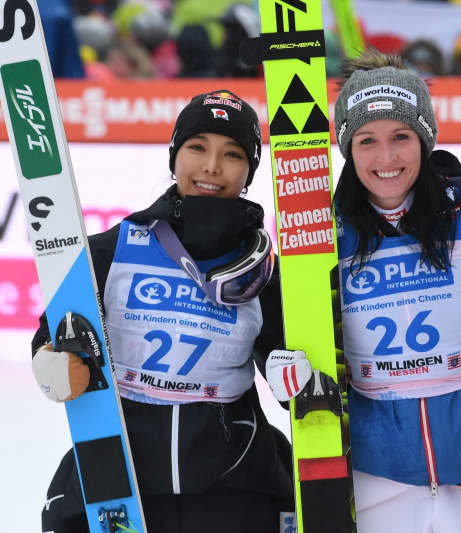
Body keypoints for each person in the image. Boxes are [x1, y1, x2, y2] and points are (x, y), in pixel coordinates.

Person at [265, 51, 461, 533]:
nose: (386, 158)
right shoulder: (325, 234)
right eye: (367, 141)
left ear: (425, 140)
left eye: (401, 137)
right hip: (377, 474)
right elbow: (286, 327)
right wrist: (278, 365)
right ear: (347, 148)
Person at [30, 90, 294, 532]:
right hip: (118, 485)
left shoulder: (262, 271)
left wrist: (293, 376)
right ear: (174, 156)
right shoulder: (112, 250)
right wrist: (51, 363)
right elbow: (54, 335)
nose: (211, 166)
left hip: (235, 492)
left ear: (249, 171)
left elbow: (286, 360)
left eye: (231, 153)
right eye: (197, 147)